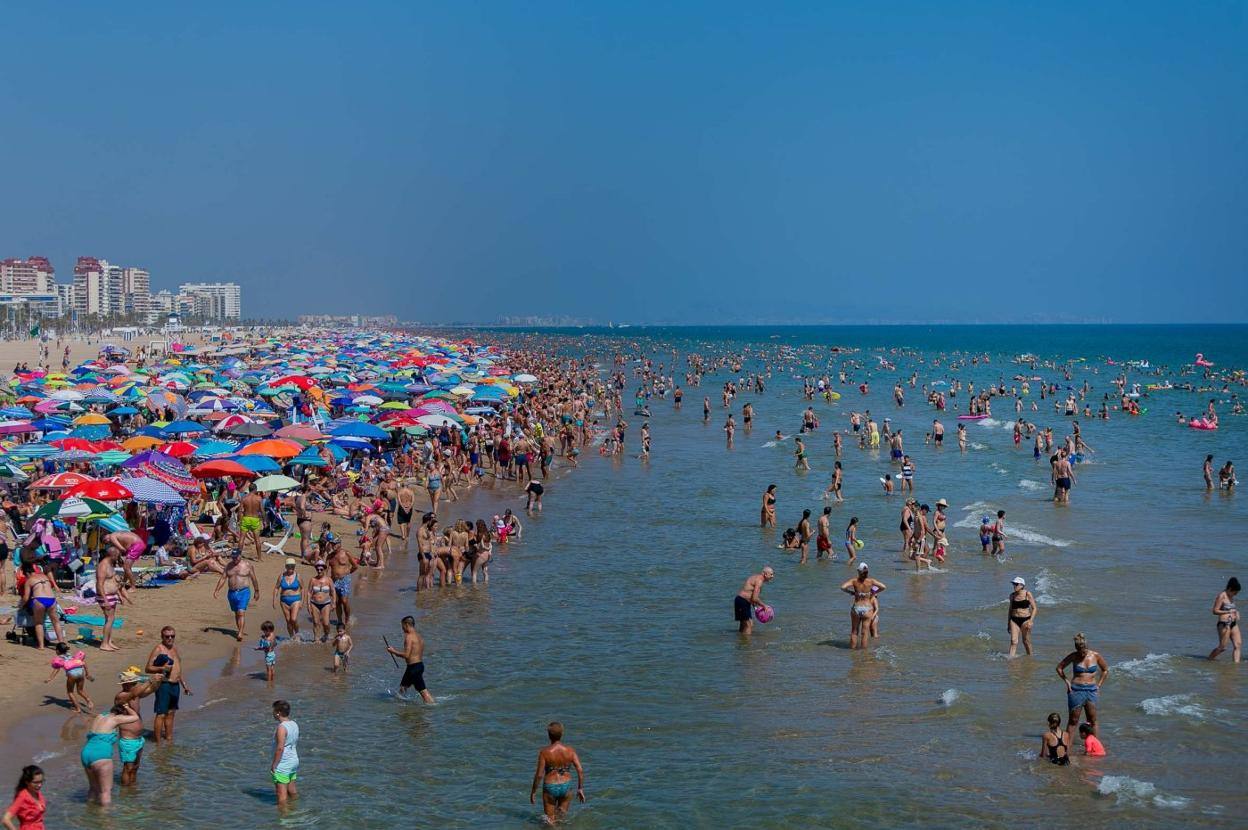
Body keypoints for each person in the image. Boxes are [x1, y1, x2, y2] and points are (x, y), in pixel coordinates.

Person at [81, 702, 140, 806]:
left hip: (86, 752)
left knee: (93, 788)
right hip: (101, 754)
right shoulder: (116, 719)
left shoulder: (100, 716)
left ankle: (90, 811)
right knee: (105, 791)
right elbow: (135, 717)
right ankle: (105, 820)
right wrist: (127, 707)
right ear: (121, 714)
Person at [1056, 633, 1109, 741]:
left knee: (1092, 720)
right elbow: (1059, 668)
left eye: (1084, 651)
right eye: (1079, 651)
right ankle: (1066, 748)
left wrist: (1098, 685)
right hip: (1076, 690)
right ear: (1076, 649)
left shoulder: (1095, 655)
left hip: (1091, 690)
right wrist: (1067, 681)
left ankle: (1094, 747)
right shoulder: (1073, 656)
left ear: (1087, 647)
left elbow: (1105, 670)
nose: (1082, 654)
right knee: (1073, 721)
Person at [529, 721, 586, 823]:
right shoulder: (570, 750)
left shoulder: (545, 752)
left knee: (550, 821)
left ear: (549, 735)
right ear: (562, 734)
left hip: (550, 787)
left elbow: (539, 775)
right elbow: (580, 770)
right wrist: (580, 788)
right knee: (561, 818)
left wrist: (533, 791)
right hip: (566, 786)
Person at [145, 625, 191, 745]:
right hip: (164, 684)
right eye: (167, 636)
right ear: (162, 637)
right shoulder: (158, 649)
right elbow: (148, 668)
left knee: (171, 713)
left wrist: (184, 685)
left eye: (172, 636)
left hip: (175, 685)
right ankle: (158, 742)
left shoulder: (174, 649)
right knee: (161, 713)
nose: (170, 638)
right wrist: (162, 668)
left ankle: (169, 740)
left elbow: (178, 669)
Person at [114, 669, 160, 787]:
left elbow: (151, 689)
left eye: (136, 683)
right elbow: (134, 693)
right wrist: (149, 680)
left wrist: (157, 681)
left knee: (135, 767)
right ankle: (125, 790)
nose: (136, 685)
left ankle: (132, 789)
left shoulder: (135, 694)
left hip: (138, 739)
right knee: (128, 767)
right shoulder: (121, 696)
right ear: (126, 684)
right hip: (128, 739)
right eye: (133, 683)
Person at [387, 615, 435, 703]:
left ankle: (432, 707)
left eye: (402, 626)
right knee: (402, 688)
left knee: (423, 692)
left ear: (407, 624)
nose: (402, 629)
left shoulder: (409, 637)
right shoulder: (419, 636)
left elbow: (407, 655)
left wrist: (393, 651)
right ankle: (402, 708)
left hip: (414, 668)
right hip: (417, 666)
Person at [214, 550, 260, 641]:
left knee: (241, 612)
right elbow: (223, 578)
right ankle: (240, 629)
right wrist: (217, 590)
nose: (234, 558)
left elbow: (254, 578)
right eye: (233, 557)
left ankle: (240, 633)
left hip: (244, 592)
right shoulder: (228, 566)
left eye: (236, 557)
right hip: (231, 593)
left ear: (240, 556)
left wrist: (257, 591)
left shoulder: (247, 565)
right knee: (236, 613)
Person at [20, 564, 64, 651]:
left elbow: (26, 598)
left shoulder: (29, 580)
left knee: (39, 623)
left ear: (27, 573)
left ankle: (41, 646)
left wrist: (20, 606)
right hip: (52, 599)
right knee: (56, 622)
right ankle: (61, 643)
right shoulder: (44, 576)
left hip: (39, 600)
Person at [841, 563, 885, 650]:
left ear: (858, 571)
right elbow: (883, 587)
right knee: (865, 633)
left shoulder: (854, 581)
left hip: (856, 607)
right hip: (867, 609)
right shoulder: (871, 581)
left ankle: (852, 651)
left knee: (854, 632)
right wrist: (874, 593)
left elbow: (842, 587)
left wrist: (851, 593)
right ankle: (863, 653)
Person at [93, 548, 130, 652]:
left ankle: (108, 641)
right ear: (112, 555)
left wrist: (120, 596)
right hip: (105, 596)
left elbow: (113, 582)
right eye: (117, 555)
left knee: (111, 619)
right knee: (109, 619)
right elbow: (100, 584)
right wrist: (105, 600)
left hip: (111, 595)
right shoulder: (103, 566)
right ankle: (104, 644)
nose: (118, 558)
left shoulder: (110, 564)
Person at [45, 644, 93, 713]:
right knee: (80, 691)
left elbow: (56, 669)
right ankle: (88, 700)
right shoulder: (71, 656)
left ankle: (78, 709)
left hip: (72, 675)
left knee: (70, 692)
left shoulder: (59, 659)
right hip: (81, 672)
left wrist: (50, 678)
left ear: (57, 651)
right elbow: (83, 663)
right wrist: (87, 674)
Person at [270, 700, 300, 806]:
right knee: (292, 790)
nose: (272, 713)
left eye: (273, 711)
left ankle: (284, 819)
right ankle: (296, 808)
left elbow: (280, 748)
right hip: (293, 761)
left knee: (281, 795)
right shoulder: (294, 724)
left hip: (283, 763)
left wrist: (274, 765)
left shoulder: (281, 728)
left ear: (278, 712)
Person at [734, 567, 775, 636]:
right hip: (742, 601)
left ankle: (741, 641)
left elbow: (751, 596)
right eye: (771, 574)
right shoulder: (759, 581)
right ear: (765, 574)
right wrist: (764, 606)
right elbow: (755, 598)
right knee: (748, 625)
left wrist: (755, 608)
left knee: (745, 624)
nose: (772, 576)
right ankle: (747, 644)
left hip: (742, 601)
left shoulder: (756, 577)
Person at [1208, 576, 1241, 662]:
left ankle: (1235, 666)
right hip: (1224, 624)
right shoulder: (1221, 596)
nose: (1236, 594)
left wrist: (1236, 612)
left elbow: (1232, 608)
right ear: (1230, 588)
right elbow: (1215, 611)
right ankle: (1209, 660)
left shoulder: (1231, 596)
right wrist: (1227, 612)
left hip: (1233, 623)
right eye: (1235, 592)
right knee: (1223, 647)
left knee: (1238, 645)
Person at [2, 766, 45, 830]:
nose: (39, 785)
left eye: (41, 781)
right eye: (36, 782)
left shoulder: (38, 794)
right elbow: (5, 820)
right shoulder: (22, 797)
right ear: (27, 782)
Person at [1007, 577, 1037, 657]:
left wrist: (1031, 621)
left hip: (1025, 620)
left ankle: (1030, 658)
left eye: (1016, 584)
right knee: (1013, 641)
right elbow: (1010, 610)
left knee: (1026, 641)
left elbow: (1034, 608)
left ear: (1022, 585)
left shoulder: (1027, 594)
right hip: (1014, 620)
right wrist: (1008, 624)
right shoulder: (1012, 596)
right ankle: (1010, 661)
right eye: (1014, 584)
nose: (1014, 586)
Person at [273, 559, 302, 639]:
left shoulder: (298, 576)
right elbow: (276, 588)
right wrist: (274, 600)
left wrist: (302, 601)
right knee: (288, 620)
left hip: (295, 599)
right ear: (286, 566)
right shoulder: (281, 576)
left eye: (292, 566)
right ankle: (292, 637)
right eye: (289, 566)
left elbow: (302, 588)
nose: (291, 568)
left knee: (293, 619)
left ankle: (297, 634)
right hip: (284, 601)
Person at [306, 561, 335, 641]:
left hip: (326, 603)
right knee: (315, 622)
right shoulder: (313, 580)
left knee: (326, 623)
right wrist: (308, 604)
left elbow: (333, 591)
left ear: (324, 569)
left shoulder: (329, 580)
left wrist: (334, 603)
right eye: (317, 569)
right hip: (314, 603)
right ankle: (316, 638)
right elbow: (309, 592)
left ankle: (326, 634)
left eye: (321, 569)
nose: (319, 571)